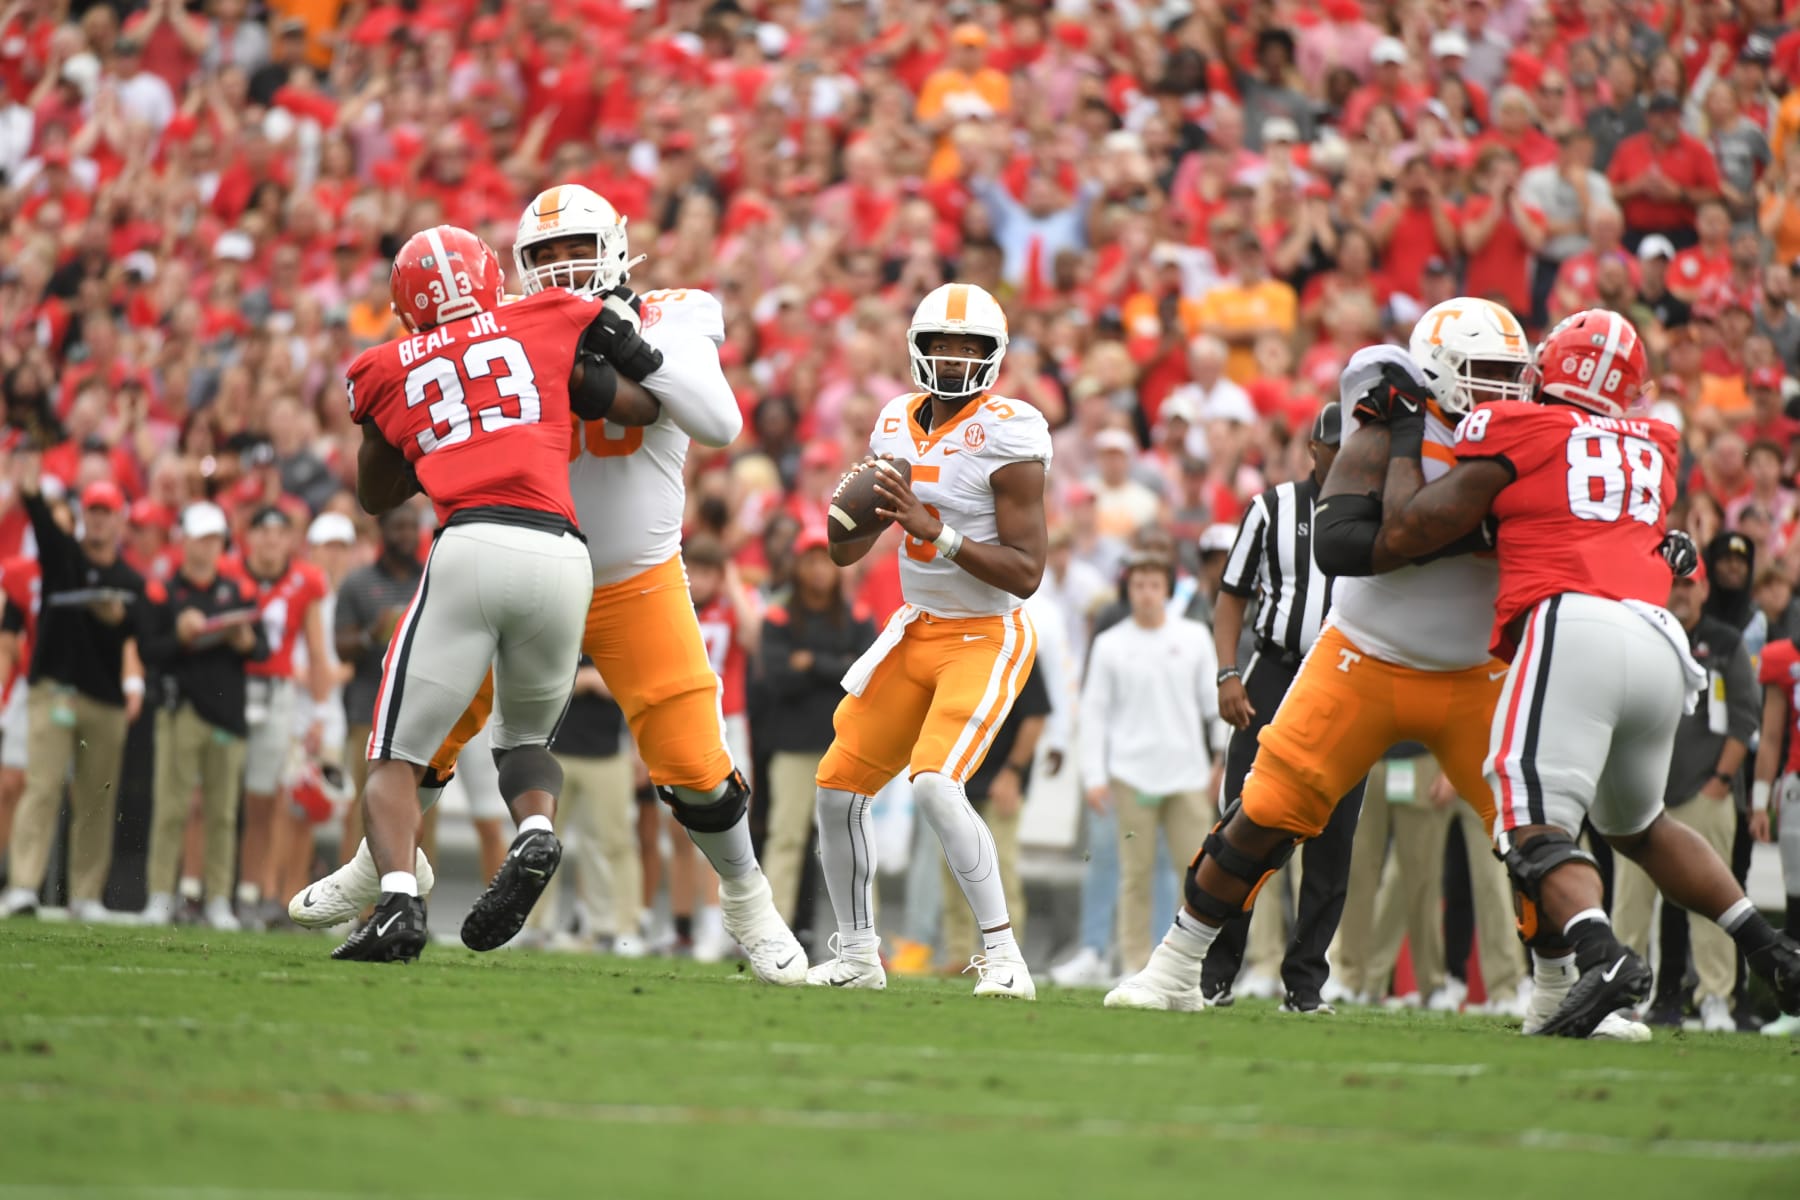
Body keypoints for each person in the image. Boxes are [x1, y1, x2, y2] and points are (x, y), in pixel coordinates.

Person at [296, 190, 807, 982]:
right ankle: (381, 865)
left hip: (635, 580)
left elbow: (719, 422)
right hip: (539, 561)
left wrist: (614, 347)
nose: (564, 266)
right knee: (427, 729)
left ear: (617, 246)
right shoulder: (513, 329)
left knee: (695, 770)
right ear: (517, 270)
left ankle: (747, 900)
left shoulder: (672, 311)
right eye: (546, 255)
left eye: (579, 247)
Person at [1363, 308, 1800, 1035]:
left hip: (1574, 622)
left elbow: (1420, 520)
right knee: (1641, 827)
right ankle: (1769, 945)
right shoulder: (1659, 440)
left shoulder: (1518, 426)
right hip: (1660, 642)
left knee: (1524, 819)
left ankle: (1603, 957)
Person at [1101, 301, 1530, 1019]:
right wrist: (1454, 523)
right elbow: (1343, 546)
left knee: (1532, 826)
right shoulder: (1381, 427)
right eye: (1486, 375)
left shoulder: (1533, 437)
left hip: (1473, 668)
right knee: (1264, 808)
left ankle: (1556, 986)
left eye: (1514, 377)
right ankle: (1181, 965)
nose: (1504, 392)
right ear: (1440, 373)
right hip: (1363, 657)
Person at [323, 224, 608, 962]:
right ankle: (538, 831)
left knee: (394, 756)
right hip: (564, 551)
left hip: (473, 540)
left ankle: (397, 903)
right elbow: (633, 403)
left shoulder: (387, 363)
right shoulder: (542, 320)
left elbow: (374, 495)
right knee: (525, 741)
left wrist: (414, 433)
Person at [808, 281, 1051, 998]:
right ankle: (857, 953)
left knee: (938, 784)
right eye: (941, 344)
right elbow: (846, 552)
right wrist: (854, 522)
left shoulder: (1012, 429)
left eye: (968, 346)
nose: (952, 357)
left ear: (993, 355)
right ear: (917, 349)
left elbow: (1028, 572)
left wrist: (937, 532)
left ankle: (1005, 959)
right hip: (917, 628)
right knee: (835, 789)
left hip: (985, 634)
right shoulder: (892, 422)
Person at [1202, 403, 1366, 1012]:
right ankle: (1217, 971)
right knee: (1241, 821)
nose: (1345, 456)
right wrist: (1227, 671)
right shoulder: (1272, 508)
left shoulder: (1380, 513)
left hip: (1349, 681)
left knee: (1334, 836)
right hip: (1276, 671)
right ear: (1313, 450)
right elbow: (1232, 596)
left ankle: (1305, 984)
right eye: (1334, 445)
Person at [1614, 561, 1759, 1033]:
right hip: (1643, 790)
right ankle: (1621, 993)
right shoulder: (1642, 631)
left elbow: (1745, 717)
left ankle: (1715, 995)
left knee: (1715, 898)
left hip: (1703, 788)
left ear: (1704, 590)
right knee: (1629, 901)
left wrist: (1721, 778)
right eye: (1673, 582)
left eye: (1688, 583)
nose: (1679, 591)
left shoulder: (1725, 641)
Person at [0, 469, 145, 921]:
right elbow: (43, 525)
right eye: (92, 512)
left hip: (105, 699)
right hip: (55, 690)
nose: (99, 522)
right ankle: (23, 887)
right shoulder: (62, 557)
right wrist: (30, 491)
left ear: (120, 521)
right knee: (40, 786)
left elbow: (144, 635)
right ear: (84, 517)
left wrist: (117, 615)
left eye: (107, 514)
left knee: (96, 798)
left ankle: (84, 895)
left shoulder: (130, 578)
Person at [1079, 552, 1223, 975]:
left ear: (1167, 589)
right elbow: (1094, 713)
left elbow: (1214, 705)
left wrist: (1220, 761)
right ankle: (1135, 965)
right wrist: (1094, 776)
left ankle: (1192, 967)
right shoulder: (1110, 644)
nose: (1146, 594)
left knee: (1196, 877)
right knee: (1135, 876)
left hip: (1188, 775)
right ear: (1128, 590)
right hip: (1131, 774)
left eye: (1154, 585)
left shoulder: (1195, 637)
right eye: (1138, 585)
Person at [139, 502, 267, 928]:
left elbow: (262, 649)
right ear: (185, 541)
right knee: (172, 808)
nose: (209, 547)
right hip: (182, 709)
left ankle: (217, 899)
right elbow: (148, 651)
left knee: (223, 813)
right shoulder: (164, 590)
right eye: (201, 538)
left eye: (215, 539)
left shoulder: (239, 590)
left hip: (227, 712)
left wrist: (245, 639)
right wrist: (179, 634)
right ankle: (160, 895)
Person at [758, 527, 876, 926]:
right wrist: (836, 664)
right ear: (797, 565)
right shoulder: (777, 617)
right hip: (792, 747)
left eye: (825, 559)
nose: (819, 569)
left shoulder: (859, 617)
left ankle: (860, 937)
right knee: (786, 838)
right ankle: (773, 930)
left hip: (845, 747)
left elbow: (865, 676)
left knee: (849, 847)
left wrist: (811, 663)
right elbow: (776, 678)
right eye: (810, 559)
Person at [228, 504, 331, 923]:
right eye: (263, 530)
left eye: (279, 531)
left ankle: (252, 893)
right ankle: (201, 892)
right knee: (207, 801)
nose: (271, 539)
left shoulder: (306, 581)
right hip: (227, 689)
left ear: (290, 538)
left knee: (263, 800)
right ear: (248, 535)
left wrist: (321, 710)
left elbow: (317, 650)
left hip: (277, 690)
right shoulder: (228, 571)